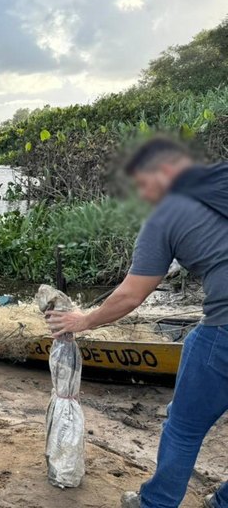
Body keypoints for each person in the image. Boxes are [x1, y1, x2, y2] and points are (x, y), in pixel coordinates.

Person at [42, 138, 228, 508]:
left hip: (224, 331)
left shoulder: (167, 213)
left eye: (143, 184)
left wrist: (84, 321)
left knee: (184, 428)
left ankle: (155, 503)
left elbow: (131, 294)